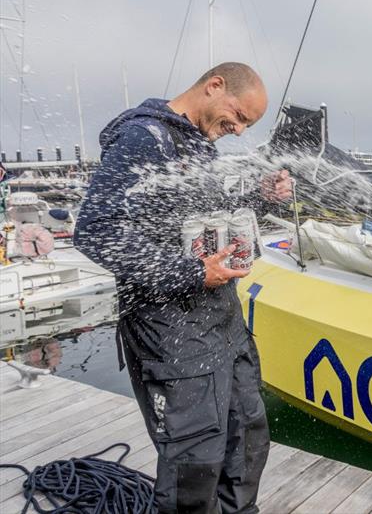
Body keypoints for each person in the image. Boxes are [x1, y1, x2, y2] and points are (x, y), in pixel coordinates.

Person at [74, 62, 292, 513]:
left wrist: (260, 198)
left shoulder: (199, 146)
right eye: (238, 116)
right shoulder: (142, 139)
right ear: (214, 86)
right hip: (170, 333)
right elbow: (96, 230)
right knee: (195, 461)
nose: (238, 129)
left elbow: (201, 212)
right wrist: (191, 273)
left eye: (247, 125)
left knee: (248, 439)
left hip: (224, 325)